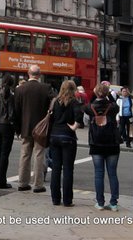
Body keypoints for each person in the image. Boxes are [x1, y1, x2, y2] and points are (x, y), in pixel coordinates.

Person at [14, 65, 52, 193]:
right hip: (41, 128)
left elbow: (17, 112)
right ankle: (37, 184)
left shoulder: (20, 89)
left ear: (28, 74)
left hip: (25, 127)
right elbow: (51, 107)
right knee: (39, 155)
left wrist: (18, 129)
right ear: (39, 75)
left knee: (24, 155)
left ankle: (23, 183)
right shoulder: (45, 88)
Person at [85, 83, 120, 211]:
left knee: (99, 174)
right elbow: (114, 103)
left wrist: (95, 93)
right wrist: (108, 94)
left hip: (96, 143)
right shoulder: (113, 107)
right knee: (112, 174)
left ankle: (100, 202)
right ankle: (114, 202)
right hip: (112, 144)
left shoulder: (90, 107)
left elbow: (88, 103)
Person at [49, 80, 83, 207]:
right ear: (73, 89)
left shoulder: (55, 101)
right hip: (67, 136)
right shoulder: (74, 102)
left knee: (56, 168)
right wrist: (73, 127)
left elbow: (51, 118)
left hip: (54, 136)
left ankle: (55, 198)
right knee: (68, 169)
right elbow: (79, 117)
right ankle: (67, 200)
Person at [0, 73, 15, 189]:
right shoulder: (11, 96)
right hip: (6, 126)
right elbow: (11, 114)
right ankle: (2, 181)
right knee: (4, 154)